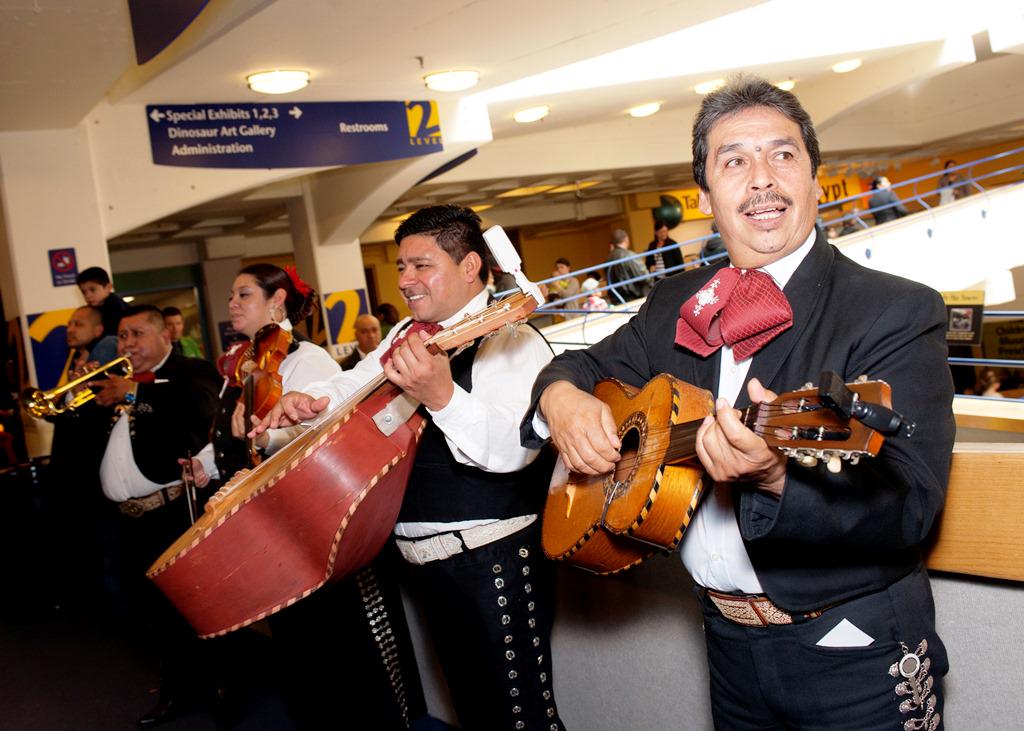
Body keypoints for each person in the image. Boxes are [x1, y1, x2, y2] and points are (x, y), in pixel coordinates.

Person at [524, 76, 953, 731]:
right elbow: (580, 365)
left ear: (815, 178)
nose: (761, 179)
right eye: (734, 161)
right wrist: (560, 399)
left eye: (782, 155)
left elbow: (911, 503)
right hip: (726, 646)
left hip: (853, 649)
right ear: (706, 197)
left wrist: (777, 475)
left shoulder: (895, 308)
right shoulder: (677, 302)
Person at [255, 204, 564, 731]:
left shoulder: (513, 339)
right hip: (428, 568)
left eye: (421, 265)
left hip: (494, 561)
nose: (406, 280)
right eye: (401, 266)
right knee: (476, 715)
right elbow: (356, 382)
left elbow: (515, 450)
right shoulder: (408, 334)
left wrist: (442, 396)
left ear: (471, 267)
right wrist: (310, 399)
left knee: (522, 720)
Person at [184, 264, 425, 730]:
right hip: (281, 531)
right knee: (303, 654)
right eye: (232, 295)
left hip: (325, 530)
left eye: (244, 294)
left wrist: (265, 436)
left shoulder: (308, 360)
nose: (232, 303)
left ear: (277, 302)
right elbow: (241, 441)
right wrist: (210, 463)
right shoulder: (245, 366)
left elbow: (325, 438)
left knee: (349, 655)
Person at [90, 305, 221, 728]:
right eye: (123, 336)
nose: (127, 344)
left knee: (192, 607)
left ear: (165, 333)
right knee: (152, 611)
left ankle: (216, 689)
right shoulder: (123, 382)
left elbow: (198, 407)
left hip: (173, 511)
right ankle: (176, 686)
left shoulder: (190, 370)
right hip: (129, 519)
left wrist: (134, 392)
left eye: (137, 334)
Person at [76, 266, 129, 338]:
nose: (88, 295)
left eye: (92, 290)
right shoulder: (92, 309)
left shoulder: (116, 307)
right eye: (84, 292)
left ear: (108, 287)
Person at [605, 229, 651, 303]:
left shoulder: (609, 257)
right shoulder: (629, 255)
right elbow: (644, 276)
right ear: (626, 239)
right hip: (634, 297)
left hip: (617, 298)